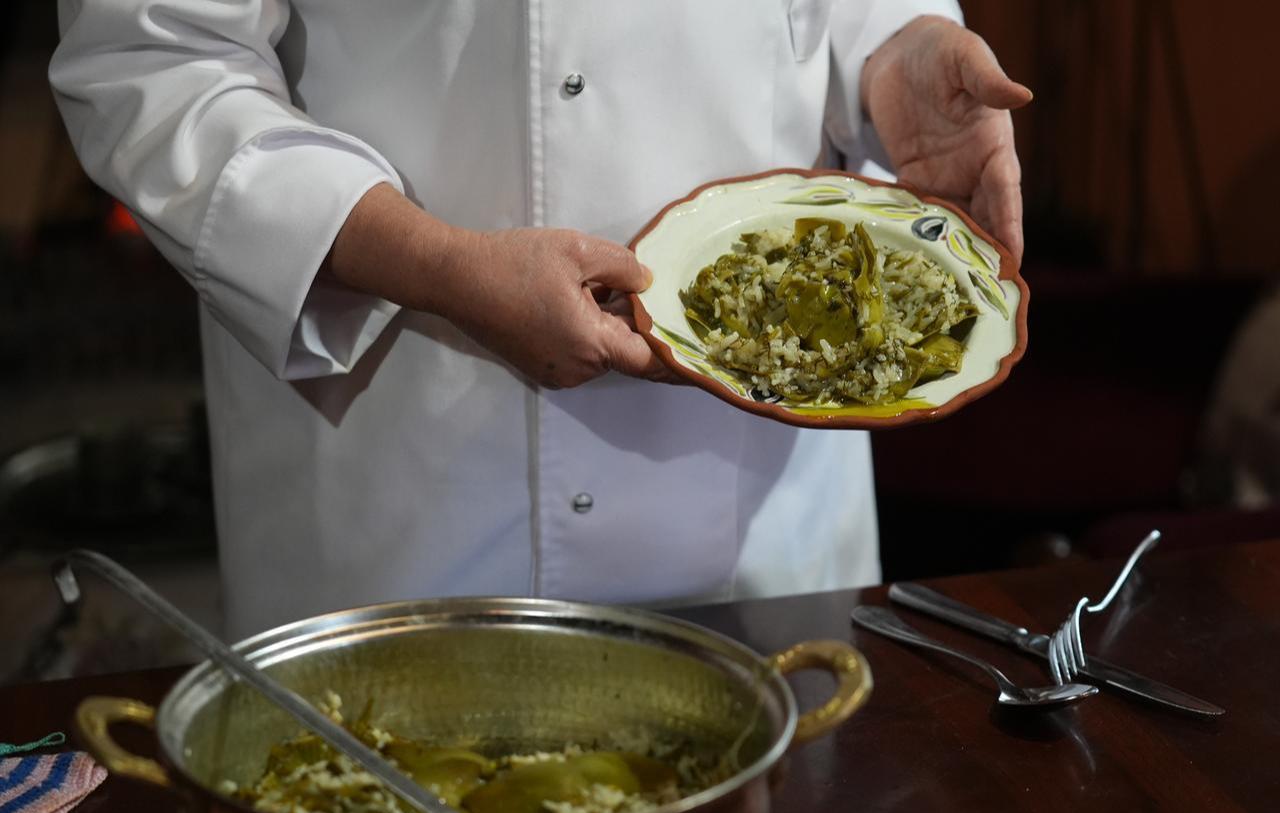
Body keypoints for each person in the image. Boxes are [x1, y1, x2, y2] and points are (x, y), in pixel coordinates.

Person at [49, 1, 1030, 639]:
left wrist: (894, 48)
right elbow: (151, 60)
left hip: (767, 526)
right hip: (410, 506)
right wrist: (433, 264)